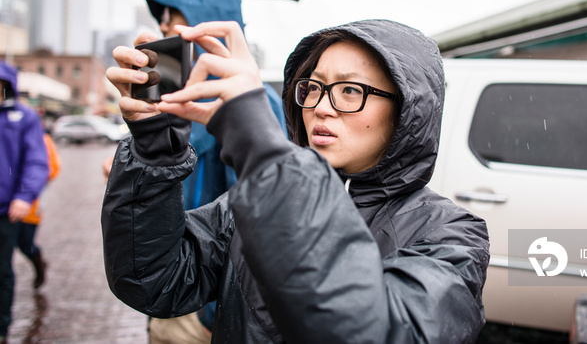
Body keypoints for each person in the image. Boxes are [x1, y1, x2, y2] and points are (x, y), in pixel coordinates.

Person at [102, 19, 490, 343]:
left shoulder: (451, 235)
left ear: (407, 110)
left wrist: (258, 145)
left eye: (350, 90)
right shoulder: (249, 206)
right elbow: (153, 281)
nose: (320, 107)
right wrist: (155, 149)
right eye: (314, 87)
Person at [105, 0, 287, 342]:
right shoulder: (172, 102)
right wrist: (141, 163)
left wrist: (216, 310)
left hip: (206, 303)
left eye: (170, 21)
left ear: (199, 24)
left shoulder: (254, 103)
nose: (160, 30)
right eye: (160, 22)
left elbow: (258, 220)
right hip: (171, 284)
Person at [0, 61, 48, 343]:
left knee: (3, 268)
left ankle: (2, 327)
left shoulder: (23, 118)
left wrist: (24, 196)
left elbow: (36, 161)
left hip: (10, 210)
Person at [17, 129, 60, 289]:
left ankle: (39, 266)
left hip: (31, 203)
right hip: (7, 201)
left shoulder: (41, 138)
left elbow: (53, 167)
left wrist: (28, 183)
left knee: (26, 243)